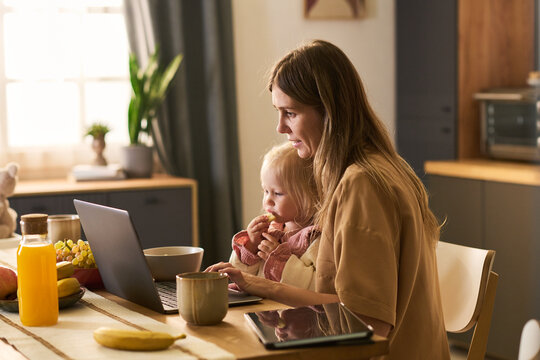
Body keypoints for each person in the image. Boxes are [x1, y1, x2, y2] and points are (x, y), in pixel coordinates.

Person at [207, 40, 450, 359]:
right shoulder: (382, 167)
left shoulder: (361, 184)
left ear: (329, 112)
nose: (280, 127)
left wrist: (264, 286)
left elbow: (364, 325)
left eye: (290, 113)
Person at [229, 141, 320, 290]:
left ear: (310, 195)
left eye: (277, 193)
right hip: (260, 311)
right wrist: (251, 245)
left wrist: (280, 261)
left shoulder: (316, 238)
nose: (268, 200)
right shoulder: (268, 231)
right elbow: (241, 277)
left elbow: (315, 287)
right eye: (265, 191)